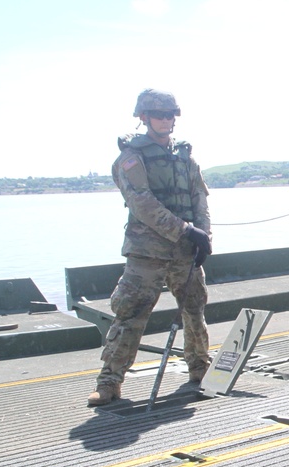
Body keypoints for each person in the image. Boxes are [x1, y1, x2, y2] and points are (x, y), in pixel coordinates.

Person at [87, 88, 213, 406]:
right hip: (147, 250)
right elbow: (141, 202)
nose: (166, 120)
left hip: (185, 250)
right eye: (159, 115)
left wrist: (204, 236)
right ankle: (110, 381)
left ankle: (200, 368)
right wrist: (186, 229)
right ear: (143, 117)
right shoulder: (131, 158)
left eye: (171, 115)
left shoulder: (185, 156)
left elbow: (199, 197)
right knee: (130, 313)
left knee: (194, 310)